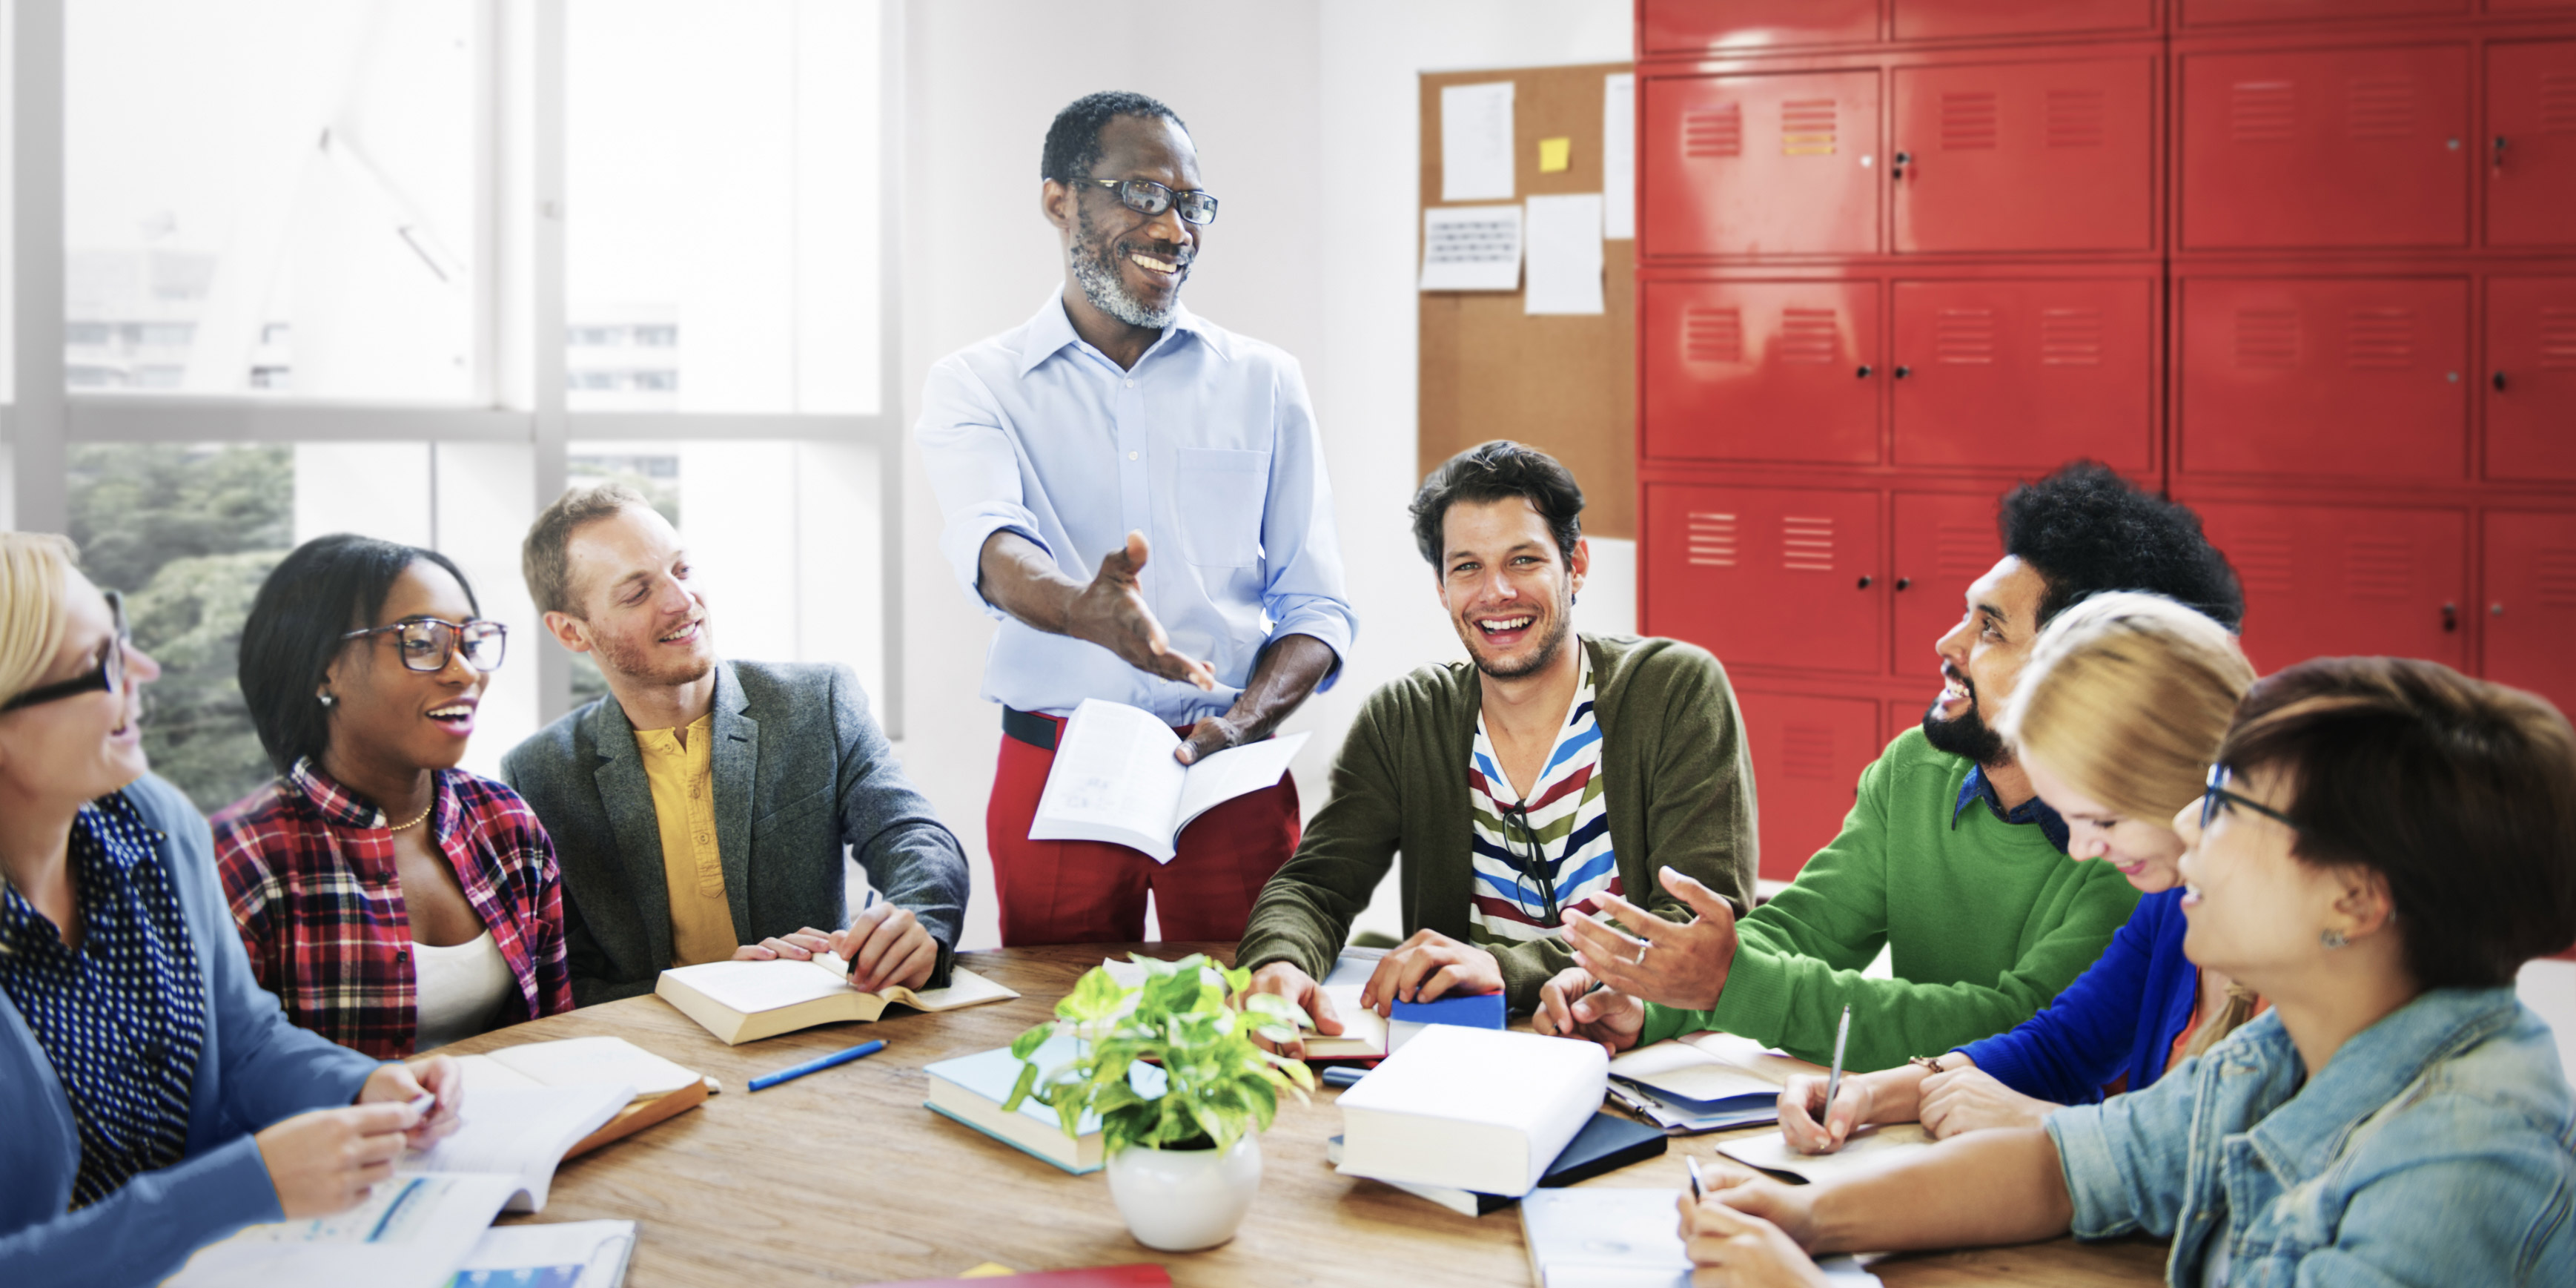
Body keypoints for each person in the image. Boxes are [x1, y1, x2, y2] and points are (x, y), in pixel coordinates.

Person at [1677, 657, 2576, 1287]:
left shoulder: (2459, 1160)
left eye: (2227, 805)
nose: (2186, 828)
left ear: (2354, 901)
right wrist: (1810, 1216)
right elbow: (2065, 1169)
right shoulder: (2286, 1051)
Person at [1545, 460, 2244, 1070]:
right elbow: (1807, 928)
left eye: (1991, 628)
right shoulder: (1916, 768)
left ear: (2076, 670)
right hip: (1926, 1118)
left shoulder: (2135, 843)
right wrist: (1656, 997)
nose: (1948, 640)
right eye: (1967, 614)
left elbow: (2018, 1024)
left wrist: (1727, 984)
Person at [916, 90, 1355, 945]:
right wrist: (1081, 610)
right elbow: (992, 542)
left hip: (1229, 771)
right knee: (1052, 1031)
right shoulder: (977, 383)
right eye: (1142, 195)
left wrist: (1243, 718)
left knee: (1256, 1026)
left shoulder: (1264, 381)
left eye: (1190, 205)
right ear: (1059, 200)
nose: (1173, 230)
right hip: (1059, 772)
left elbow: (1318, 609)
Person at [0, 533, 464, 1287]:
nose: (144, 674)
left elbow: (244, 1040)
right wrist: (233, 1191)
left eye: (124, 641)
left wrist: (359, 1086)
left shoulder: (153, 822)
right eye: (100, 665)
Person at [1235, 442, 1758, 1039]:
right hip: (1466, 1047)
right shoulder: (1405, 717)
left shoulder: (1673, 690)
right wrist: (1278, 960)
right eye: (1467, 567)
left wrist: (1504, 968)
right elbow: (1315, 884)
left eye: (1523, 560)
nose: (1496, 592)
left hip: (1626, 1038)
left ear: (1576, 565)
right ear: (1441, 587)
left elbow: (1697, 920)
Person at [1776, 592, 2257, 1153]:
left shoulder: (2303, 950)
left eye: (2102, 818)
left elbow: (2240, 1167)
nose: (2080, 849)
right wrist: (1871, 1094)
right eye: (2069, 818)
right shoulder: (2170, 900)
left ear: (2197, 781)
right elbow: (2060, 1047)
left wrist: (2040, 1121)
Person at [506, 485, 969, 1005]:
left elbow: (914, 836)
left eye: (681, 570)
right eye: (637, 592)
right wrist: (706, 987)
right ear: (571, 632)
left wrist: (920, 920)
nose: (683, 602)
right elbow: (563, 980)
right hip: (658, 1054)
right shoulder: (538, 775)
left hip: (819, 1031)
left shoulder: (817, 702)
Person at [213, 535, 572, 1057]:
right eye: (422, 642)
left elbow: (557, 1035)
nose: (466, 671)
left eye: (470, 641)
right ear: (323, 668)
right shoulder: (245, 856)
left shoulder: (506, 823)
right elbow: (228, 1080)